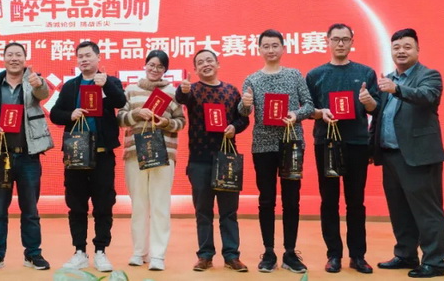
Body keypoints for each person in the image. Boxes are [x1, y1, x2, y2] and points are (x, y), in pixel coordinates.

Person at [371, 28, 444, 278]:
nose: (401, 51)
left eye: (407, 46)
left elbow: (426, 97)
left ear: (417, 49)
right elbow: (383, 116)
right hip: (391, 155)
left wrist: (396, 89)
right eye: (396, 47)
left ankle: (434, 262)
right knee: (399, 210)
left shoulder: (429, 76)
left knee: (427, 211)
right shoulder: (389, 79)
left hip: (419, 156)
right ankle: (405, 255)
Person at [0, 43, 54, 272]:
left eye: (19, 55)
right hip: (0, 156)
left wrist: (38, 84)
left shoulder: (33, 81)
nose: (14, 58)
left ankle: (33, 254)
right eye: (10, 55)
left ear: (25, 59)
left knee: (31, 211)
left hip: (28, 157)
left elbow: (43, 94)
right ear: (4, 58)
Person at [238, 29, 314, 274]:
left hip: (291, 142)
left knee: (292, 199)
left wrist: (296, 114)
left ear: (283, 48)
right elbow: (243, 112)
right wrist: (244, 104)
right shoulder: (251, 79)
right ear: (259, 49)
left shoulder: (294, 75)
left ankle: (290, 252)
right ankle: (269, 252)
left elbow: (309, 105)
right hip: (263, 145)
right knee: (266, 199)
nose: (270, 50)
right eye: (266, 46)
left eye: (275, 45)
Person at [305, 24, 379, 274]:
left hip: (357, 143)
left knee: (356, 201)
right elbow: (307, 109)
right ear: (327, 41)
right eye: (335, 39)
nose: (340, 43)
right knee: (329, 201)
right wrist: (320, 113)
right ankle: (333, 255)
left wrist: (369, 102)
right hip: (326, 143)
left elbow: (376, 108)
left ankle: (358, 256)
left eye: (345, 39)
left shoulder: (365, 73)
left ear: (351, 42)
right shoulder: (315, 75)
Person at [50, 41, 127, 272]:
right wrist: (70, 114)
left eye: (88, 55)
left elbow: (121, 102)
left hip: (102, 154)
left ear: (98, 57)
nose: (84, 60)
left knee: (104, 204)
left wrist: (106, 86)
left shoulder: (110, 82)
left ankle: (101, 250)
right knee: (76, 204)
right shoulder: (70, 86)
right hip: (76, 154)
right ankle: (79, 251)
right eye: (80, 56)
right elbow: (54, 114)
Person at [175, 49, 249, 272]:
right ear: (195, 69)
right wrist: (182, 89)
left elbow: (243, 119)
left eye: (209, 60)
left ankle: (232, 256)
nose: (206, 64)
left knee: (229, 212)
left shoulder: (231, 91)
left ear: (218, 64)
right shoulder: (192, 90)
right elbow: (181, 98)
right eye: (200, 62)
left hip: (227, 159)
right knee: (203, 211)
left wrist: (233, 127)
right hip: (199, 161)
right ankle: (205, 255)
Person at [116, 50, 185, 271]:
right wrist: (137, 114)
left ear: (165, 70)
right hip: (135, 153)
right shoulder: (130, 90)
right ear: (144, 65)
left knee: (160, 205)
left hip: (163, 154)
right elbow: (120, 118)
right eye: (152, 65)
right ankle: (139, 252)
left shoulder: (172, 92)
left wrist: (165, 122)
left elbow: (181, 122)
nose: (155, 70)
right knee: (139, 205)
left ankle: (158, 255)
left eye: (160, 67)